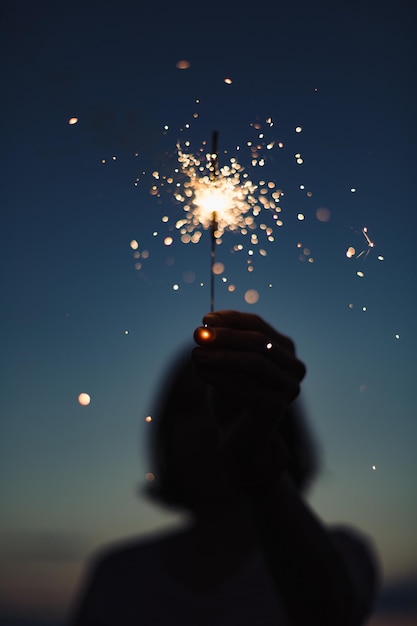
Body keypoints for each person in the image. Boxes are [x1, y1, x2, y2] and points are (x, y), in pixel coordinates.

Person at [70, 310, 379, 626]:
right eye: (189, 406)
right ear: (164, 431)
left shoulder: (340, 556)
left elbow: (331, 614)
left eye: (228, 399)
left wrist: (262, 474)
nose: (211, 422)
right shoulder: (117, 577)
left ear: (279, 424)